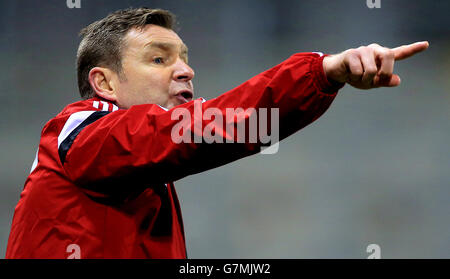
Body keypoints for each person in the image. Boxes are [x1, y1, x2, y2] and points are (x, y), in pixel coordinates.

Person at [5, 7, 428, 259]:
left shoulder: (139, 171)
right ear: (105, 84)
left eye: (185, 58)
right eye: (158, 59)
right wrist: (320, 72)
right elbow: (214, 127)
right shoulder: (82, 131)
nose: (186, 69)